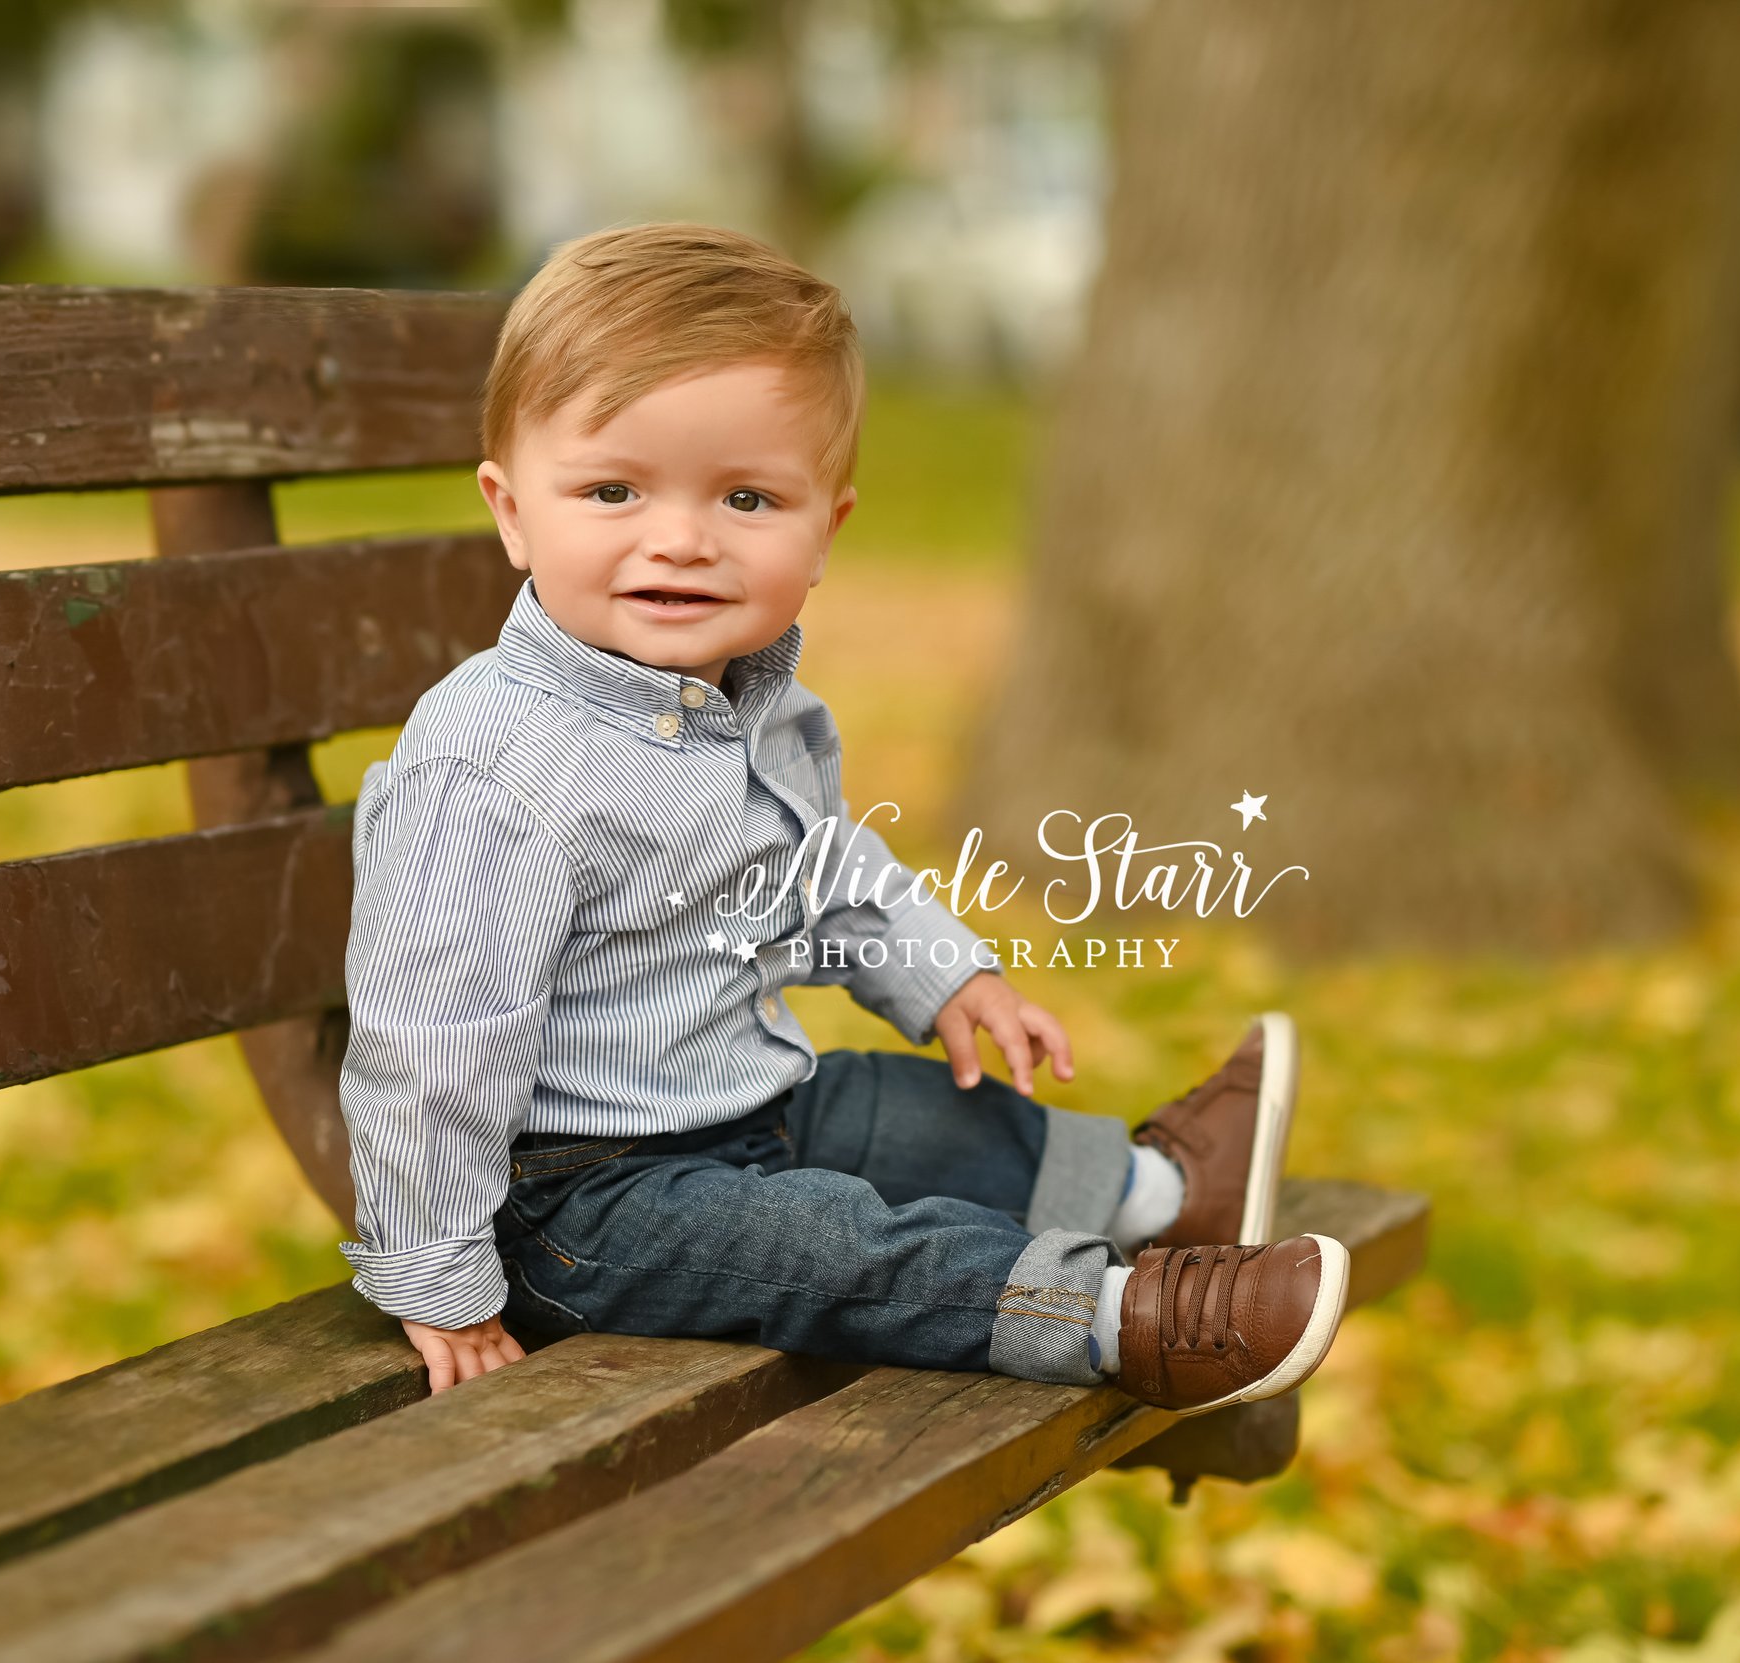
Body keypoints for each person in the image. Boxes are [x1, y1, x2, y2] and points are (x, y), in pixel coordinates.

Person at [337, 220, 1346, 1412]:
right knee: (828, 1241)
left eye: (747, 498)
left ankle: (1163, 1197)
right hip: (576, 1208)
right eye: (612, 489)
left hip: (748, 1109)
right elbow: (429, 1049)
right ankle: (1120, 1317)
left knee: (905, 1109)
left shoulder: (750, 708)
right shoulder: (491, 766)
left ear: (826, 530)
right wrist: (438, 1275)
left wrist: (946, 978)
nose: (679, 538)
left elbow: (824, 877)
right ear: (512, 513)